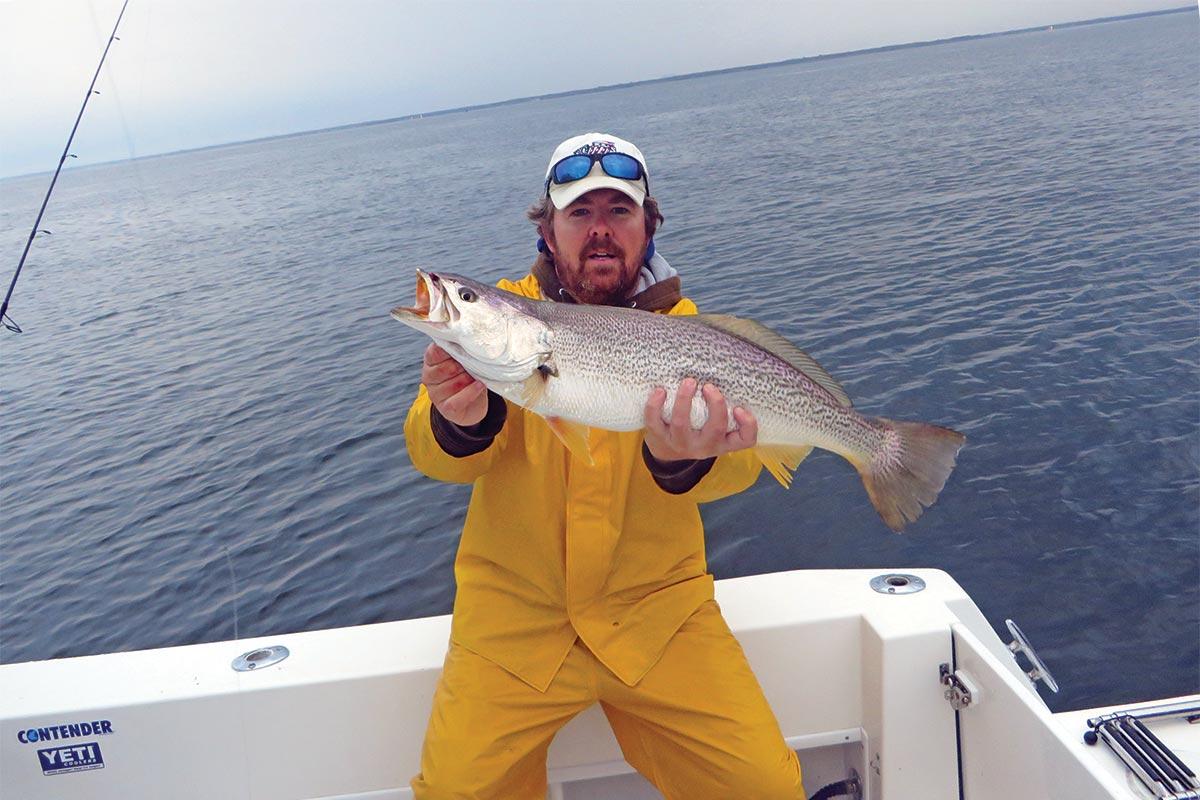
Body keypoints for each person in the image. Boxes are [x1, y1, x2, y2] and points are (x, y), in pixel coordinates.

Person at [405, 132, 805, 799]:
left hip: (659, 618)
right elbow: (433, 456)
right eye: (579, 214)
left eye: (619, 213)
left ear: (648, 227)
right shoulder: (497, 322)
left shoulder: (688, 333)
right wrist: (461, 419)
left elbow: (743, 465)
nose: (599, 231)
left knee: (763, 786)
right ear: (549, 228)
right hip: (513, 627)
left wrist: (682, 462)